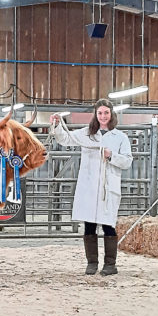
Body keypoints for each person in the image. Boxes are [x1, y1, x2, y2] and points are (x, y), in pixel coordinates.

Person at [50, 99, 133, 276]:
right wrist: (58, 124)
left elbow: (127, 161)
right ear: (96, 115)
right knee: (89, 224)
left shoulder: (120, 137)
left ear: (111, 114)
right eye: (100, 113)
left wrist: (112, 156)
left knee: (108, 225)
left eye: (106, 113)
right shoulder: (87, 133)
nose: (103, 116)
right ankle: (92, 263)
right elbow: (65, 139)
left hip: (108, 186)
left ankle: (110, 264)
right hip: (89, 186)